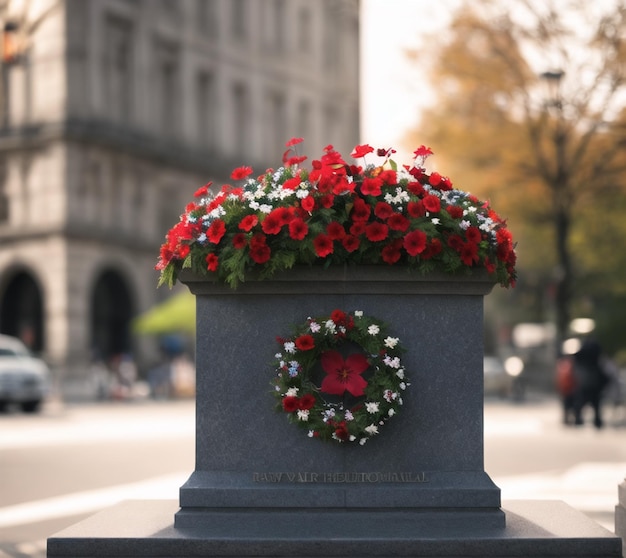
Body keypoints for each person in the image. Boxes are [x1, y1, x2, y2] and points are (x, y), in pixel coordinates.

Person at [572, 339, 610, 428]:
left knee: (586, 401)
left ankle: (585, 419)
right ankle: (595, 420)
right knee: (593, 402)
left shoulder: (586, 354)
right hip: (590, 381)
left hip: (588, 381)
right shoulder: (592, 354)